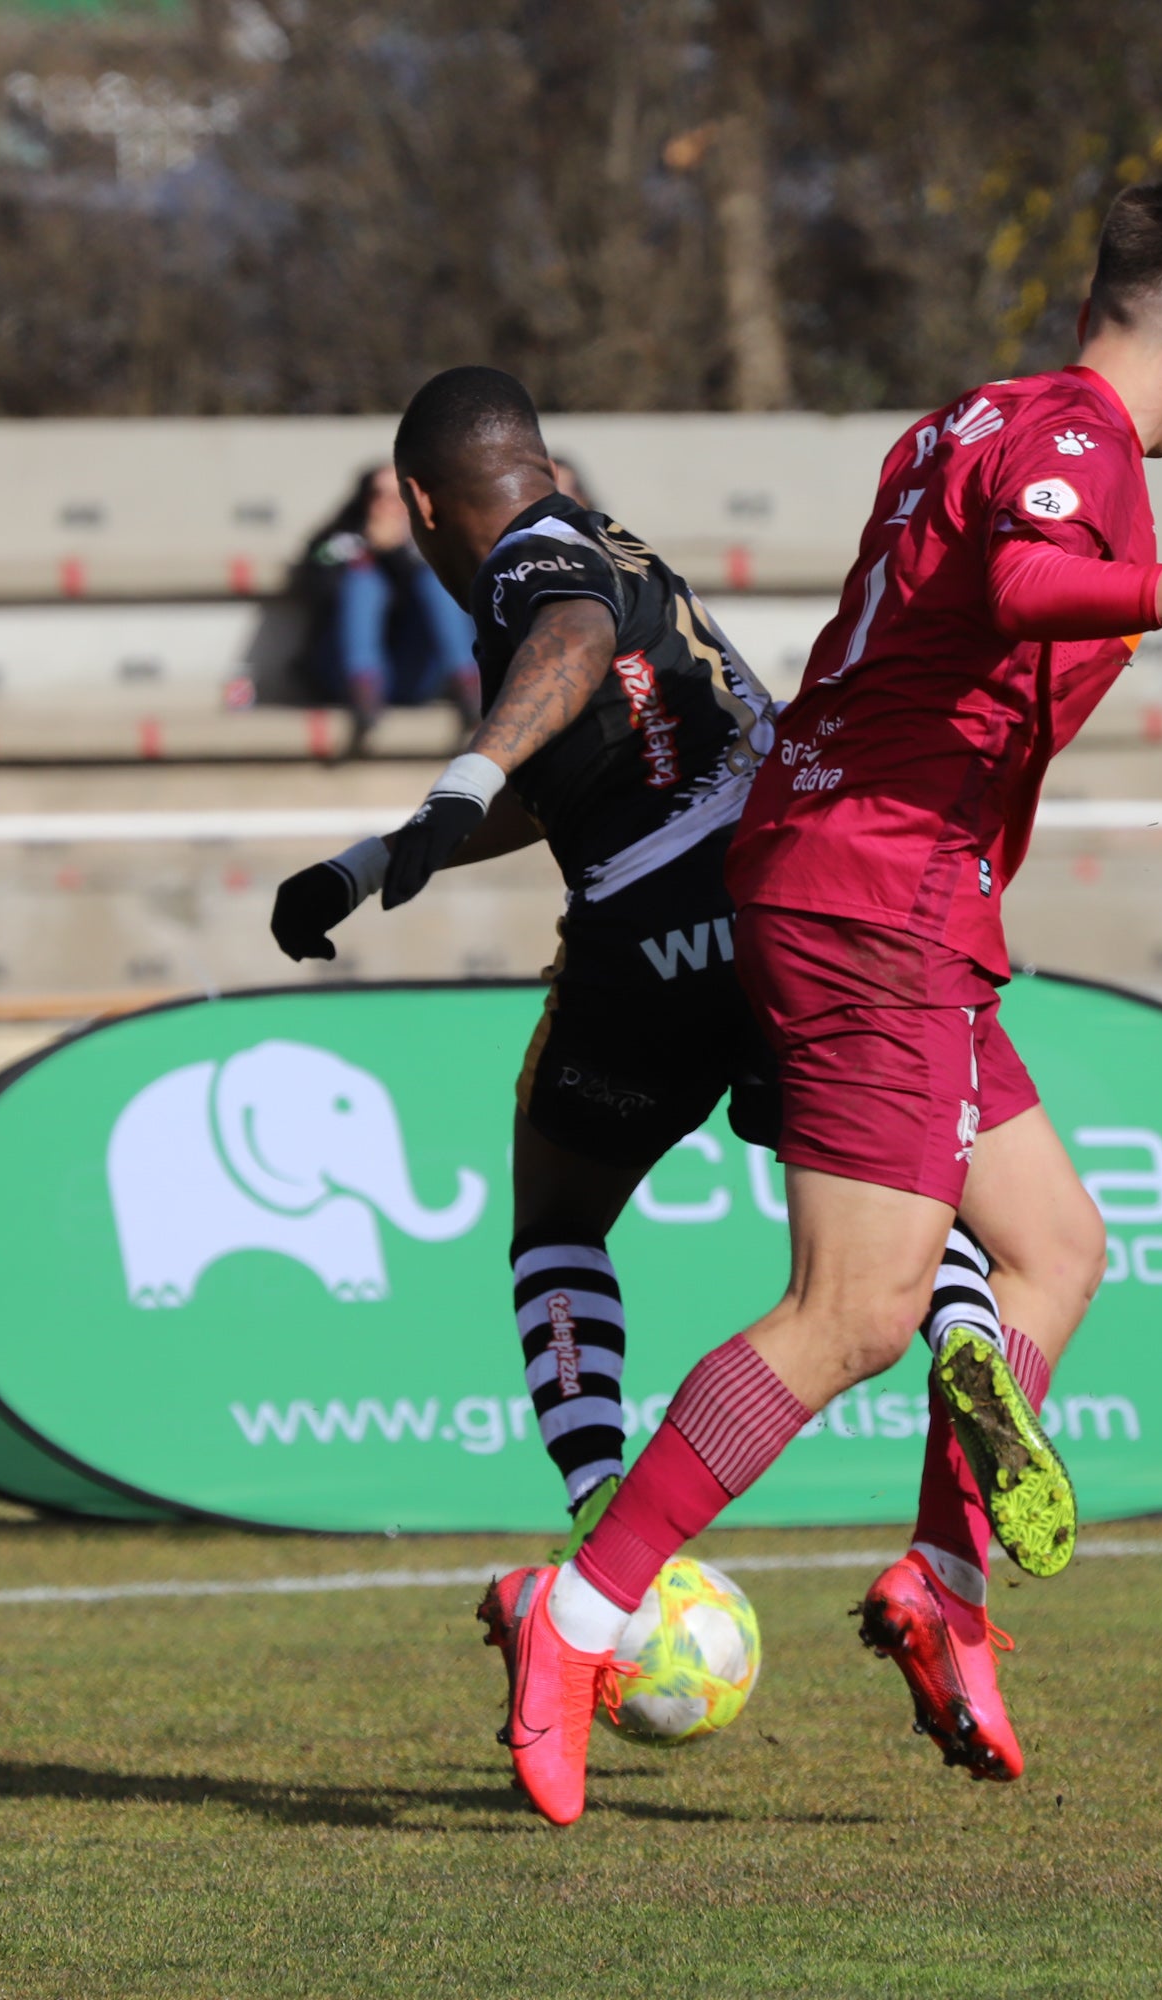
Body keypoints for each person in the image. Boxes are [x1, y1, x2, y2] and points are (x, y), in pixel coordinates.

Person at [476, 178, 1162, 1825]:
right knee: (857, 1314)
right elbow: (1018, 594)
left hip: (873, 872)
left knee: (1055, 1249)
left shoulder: (965, 421)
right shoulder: (1074, 446)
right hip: (877, 893)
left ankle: (941, 1579)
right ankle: (579, 1620)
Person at [267, 369, 791, 1561]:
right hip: (784, 902)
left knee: (557, 1221)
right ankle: (965, 1317)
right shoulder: (610, 536)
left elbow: (568, 638)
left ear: (421, 499)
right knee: (874, 1193)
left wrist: (462, 777)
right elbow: (563, 770)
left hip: (650, 939)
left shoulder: (519, 564)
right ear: (544, 462)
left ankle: (604, 1505)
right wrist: (364, 863)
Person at [290, 464, 481, 754]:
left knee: (432, 580)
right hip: (343, 674)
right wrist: (368, 550)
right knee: (363, 579)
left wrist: (395, 554)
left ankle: (469, 686)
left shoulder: (435, 542)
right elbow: (315, 587)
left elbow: (464, 595)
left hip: (413, 674)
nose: (387, 506)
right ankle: (364, 685)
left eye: (399, 497)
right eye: (378, 495)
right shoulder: (338, 541)